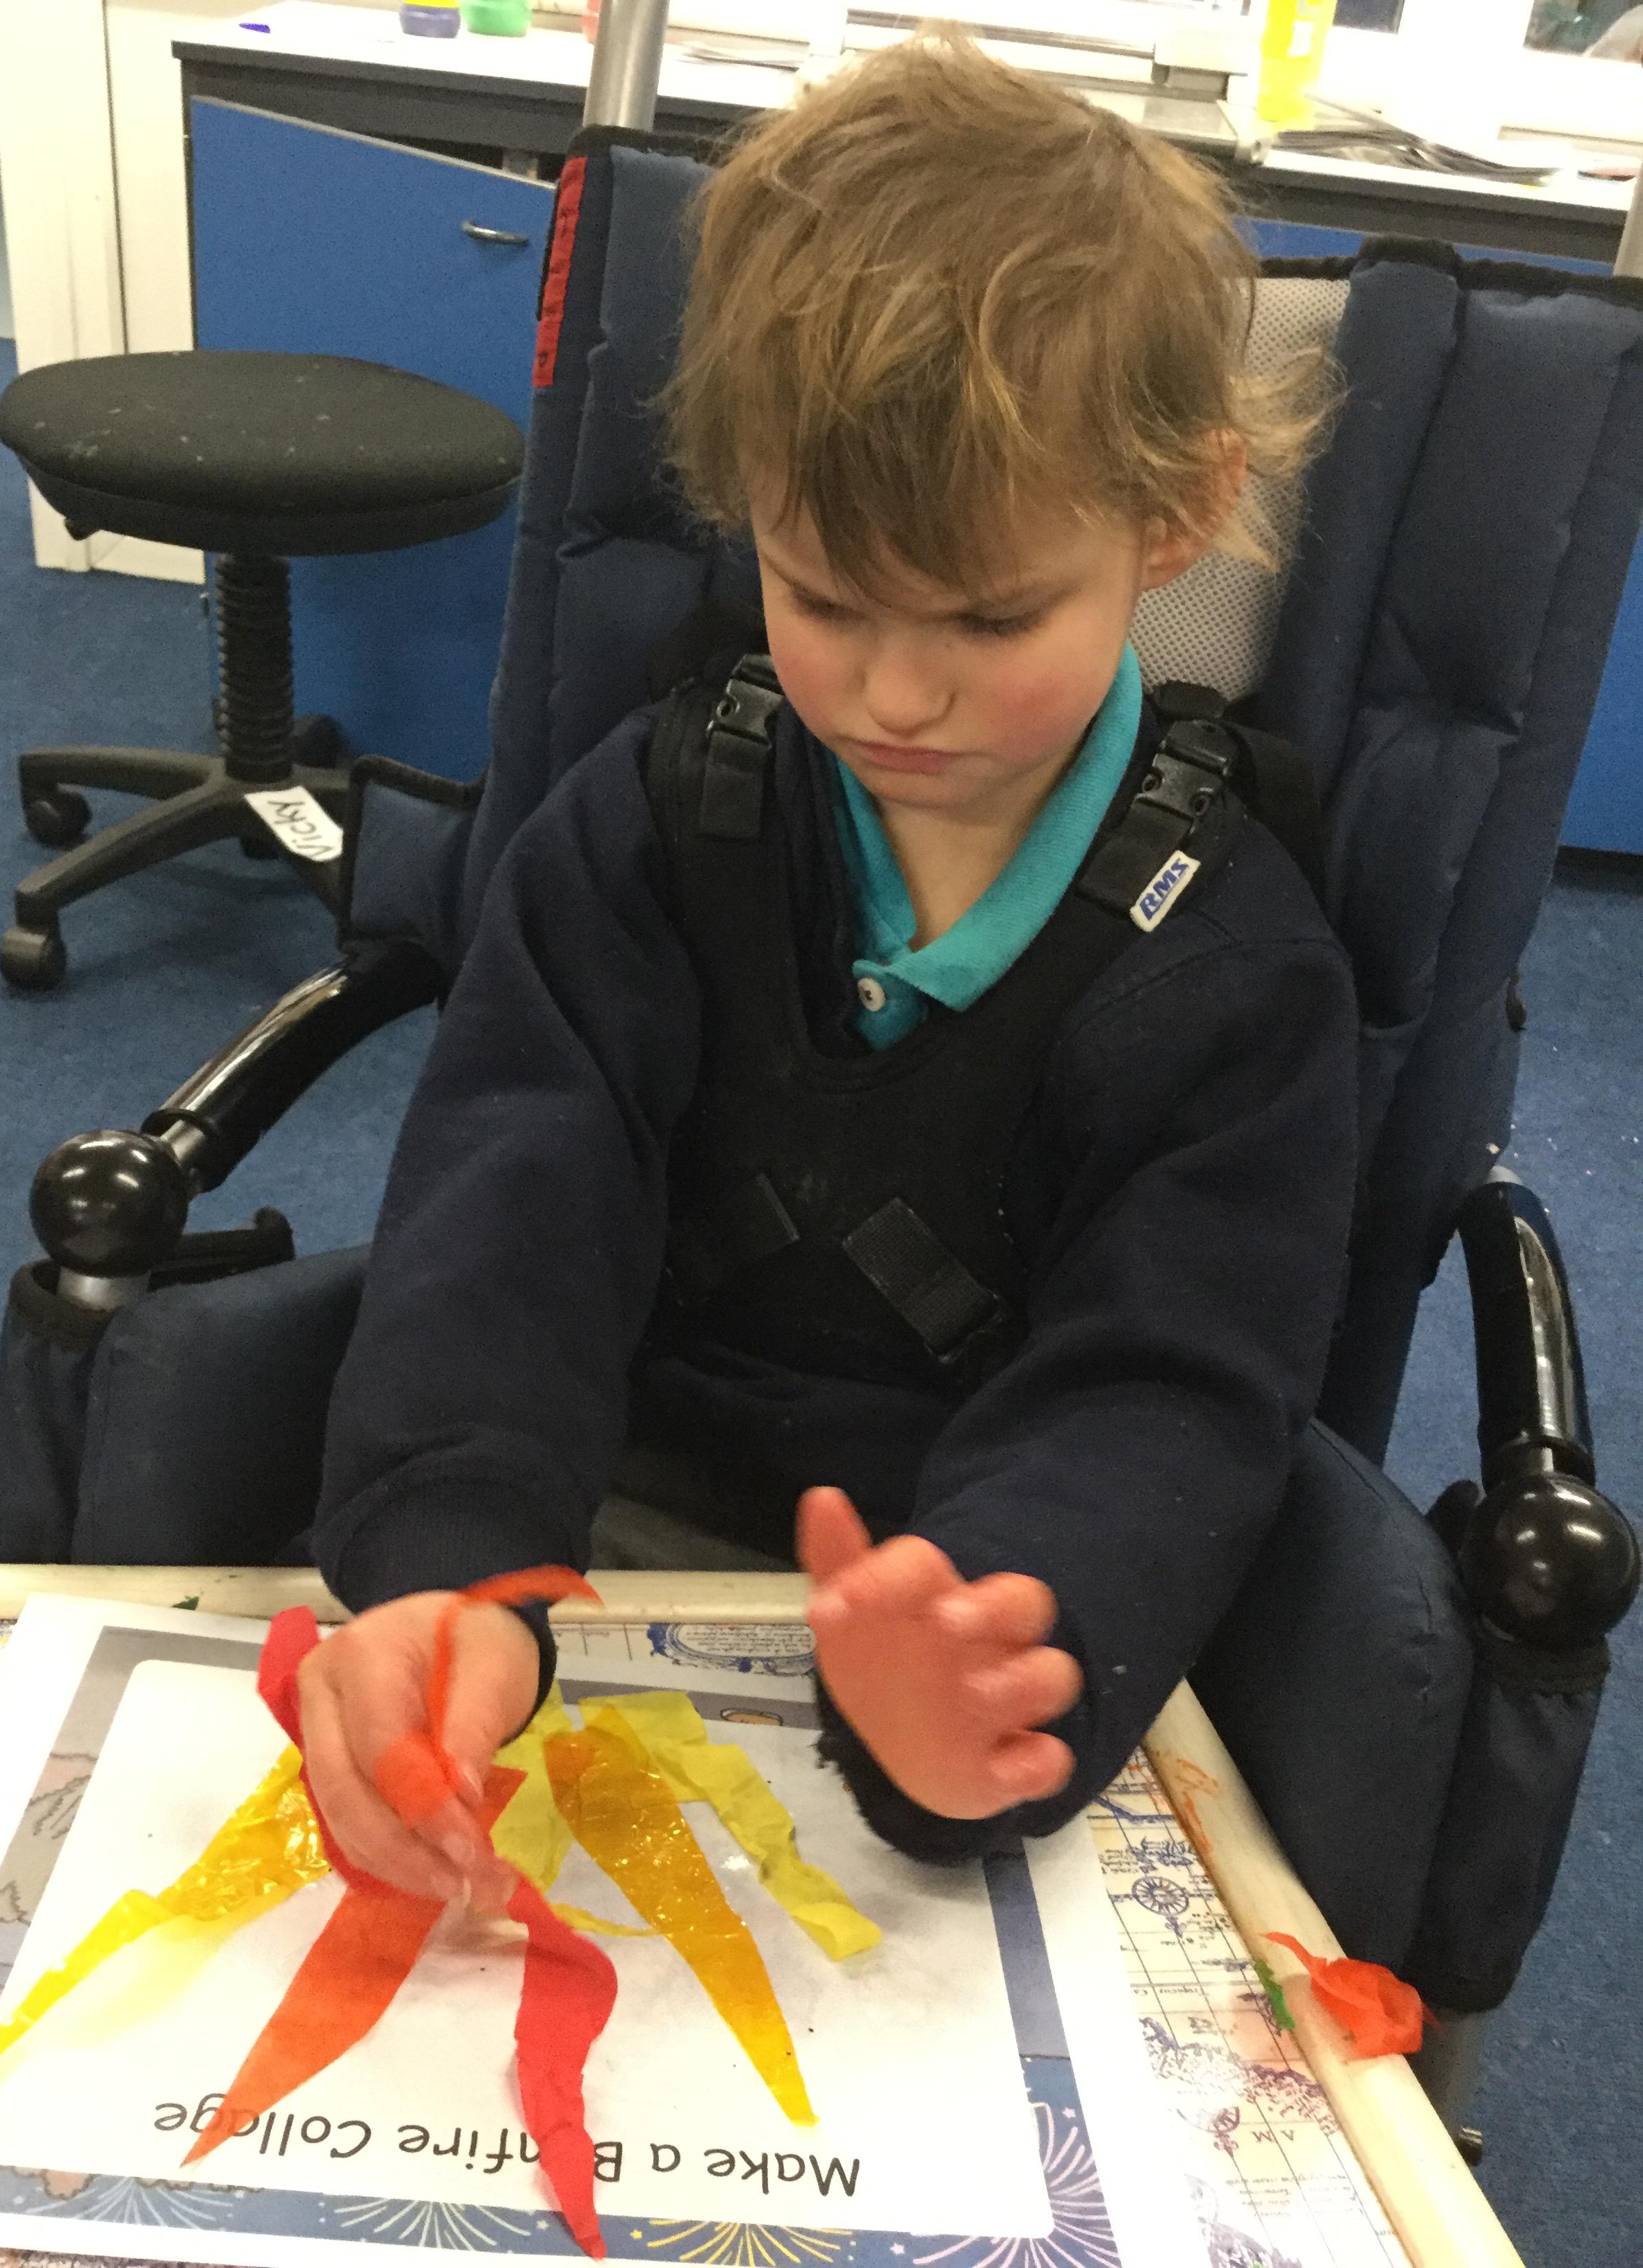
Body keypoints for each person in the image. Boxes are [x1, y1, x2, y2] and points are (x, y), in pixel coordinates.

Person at [295, 33, 1358, 1906]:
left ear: (1174, 517)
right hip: (585, 1522)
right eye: (823, 597)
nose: (895, 693)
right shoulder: (652, 823)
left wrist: (1009, 1654)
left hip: (987, 1591)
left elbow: (1168, 1388)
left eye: (990, 617)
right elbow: (516, 1198)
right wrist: (455, 1565)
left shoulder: (1234, 976)